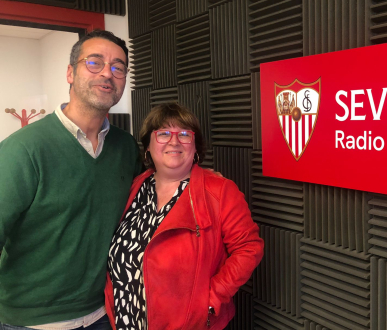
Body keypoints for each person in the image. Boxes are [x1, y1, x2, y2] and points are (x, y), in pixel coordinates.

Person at [0, 30, 142, 329]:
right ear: (70, 72)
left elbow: (147, 201)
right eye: (94, 62)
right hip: (30, 320)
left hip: (102, 313)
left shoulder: (126, 147)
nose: (107, 73)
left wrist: (196, 177)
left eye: (118, 67)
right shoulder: (24, 149)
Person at [104, 103, 264, 330]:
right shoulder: (135, 187)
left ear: (195, 147)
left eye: (185, 135)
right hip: (126, 320)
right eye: (163, 134)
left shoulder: (220, 191)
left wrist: (210, 300)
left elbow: (249, 248)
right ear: (148, 146)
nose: (174, 141)